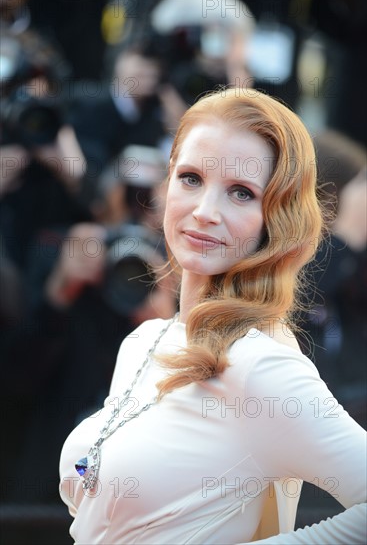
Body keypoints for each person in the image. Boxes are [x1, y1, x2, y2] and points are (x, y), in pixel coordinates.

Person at [59, 88, 366, 544]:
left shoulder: (258, 365)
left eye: (241, 193)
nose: (205, 212)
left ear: (277, 219)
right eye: (191, 178)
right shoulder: (145, 341)